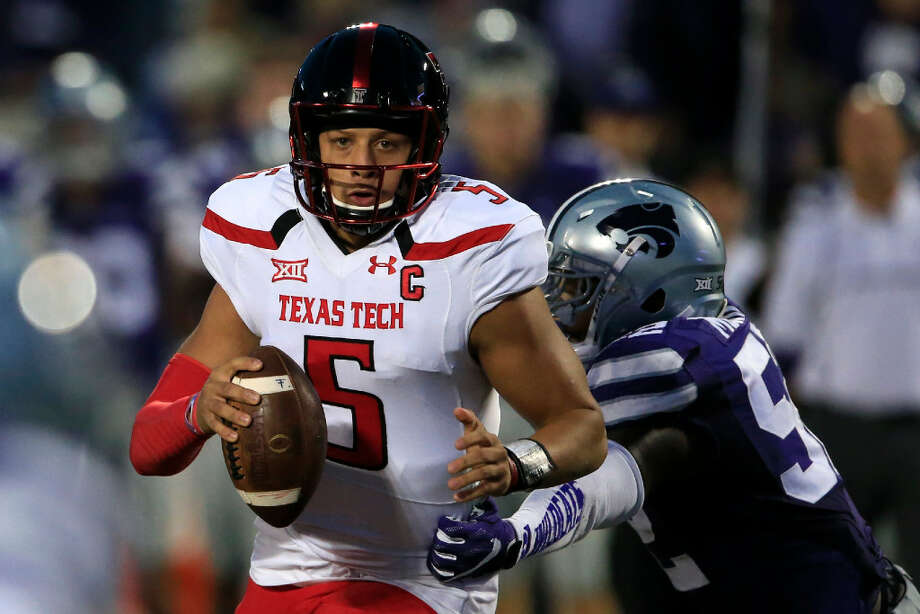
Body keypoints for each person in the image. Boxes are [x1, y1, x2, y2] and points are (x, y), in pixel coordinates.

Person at [128, 23, 607, 614]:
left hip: (425, 576)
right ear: (308, 140)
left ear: (424, 145)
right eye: (342, 139)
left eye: (386, 142)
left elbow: (582, 428)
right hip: (288, 568)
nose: (361, 164)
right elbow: (148, 448)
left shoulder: (468, 247)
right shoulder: (263, 234)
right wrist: (199, 410)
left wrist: (516, 463)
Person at [427, 179, 920, 613]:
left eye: (576, 288)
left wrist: (518, 494)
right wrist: (519, 526)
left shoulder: (680, 353)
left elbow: (596, 452)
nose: (558, 309)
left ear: (647, 290)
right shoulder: (701, 360)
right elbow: (629, 467)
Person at [762, 75, 920, 581]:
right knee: (839, 574)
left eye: (878, 133)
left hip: (918, 427)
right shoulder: (813, 227)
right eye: (853, 133)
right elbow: (783, 340)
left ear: (907, 140)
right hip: (839, 431)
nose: (865, 146)